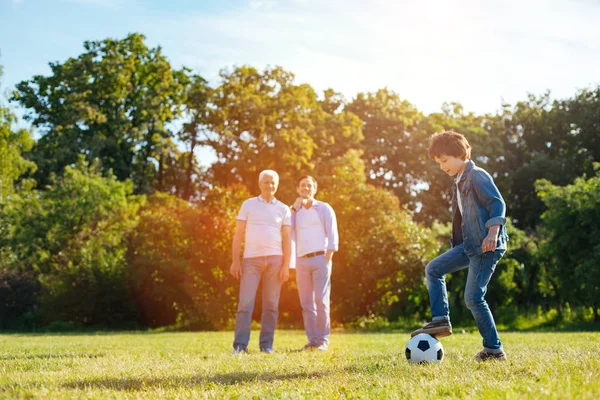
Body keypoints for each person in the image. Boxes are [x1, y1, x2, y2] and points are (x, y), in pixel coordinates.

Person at [411, 131, 509, 362]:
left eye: (444, 160)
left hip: (486, 245)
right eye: (438, 162)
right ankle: (440, 319)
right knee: (433, 269)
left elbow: (497, 204)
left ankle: (494, 351)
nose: (442, 166)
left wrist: (493, 234)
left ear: (460, 154)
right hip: (469, 245)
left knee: (474, 298)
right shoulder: (458, 181)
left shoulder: (476, 175)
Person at [230, 170, 291, 354]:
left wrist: (287, 265)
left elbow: (287, 238)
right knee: (245, 304)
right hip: (251, 260)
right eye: (266, 182)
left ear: (277, 185)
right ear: (259, 183)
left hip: (276, 260)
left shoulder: (283, 208)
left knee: (271, 305)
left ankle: (266, 346)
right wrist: (235, 261)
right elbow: (238, 234)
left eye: (273, 182)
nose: (269, 186)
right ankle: (240, 346)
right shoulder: (248, 205)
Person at [290, 175, 338, 351]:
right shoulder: (294, 211)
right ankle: (312, 341)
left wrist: (328, 257)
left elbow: (333, 234)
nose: (306, 188)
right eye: (303, 185)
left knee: (321, 301)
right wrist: (294, 209)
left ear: (315, 189)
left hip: (321, 259)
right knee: (306, 304)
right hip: (301, 260)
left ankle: (323, 341)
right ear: (298, 189)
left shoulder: (324, 208)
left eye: (309, 186)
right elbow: (286, 229)